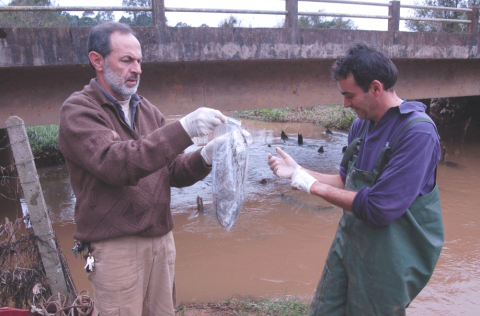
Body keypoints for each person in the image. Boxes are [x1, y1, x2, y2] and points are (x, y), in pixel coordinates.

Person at [58, 21, 226, 316]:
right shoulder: (79, 111)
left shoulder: (147, 109)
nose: (137, 69)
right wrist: (183, 128)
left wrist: (206, 156)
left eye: (139, 61)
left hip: (162, 241)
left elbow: (172, 170)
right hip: (115, 250)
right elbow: (117, 163)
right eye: (126, 60)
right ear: (97, 60)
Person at [268, 42, 444, 315]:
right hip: (348, 245)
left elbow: (380, 207)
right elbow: (344, 181)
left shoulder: (417, 134)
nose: (345, 103)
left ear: (376, 88)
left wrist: (310, 186)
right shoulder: (361, 124)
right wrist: (299, 172)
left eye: (349, 95)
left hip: (389, 261)